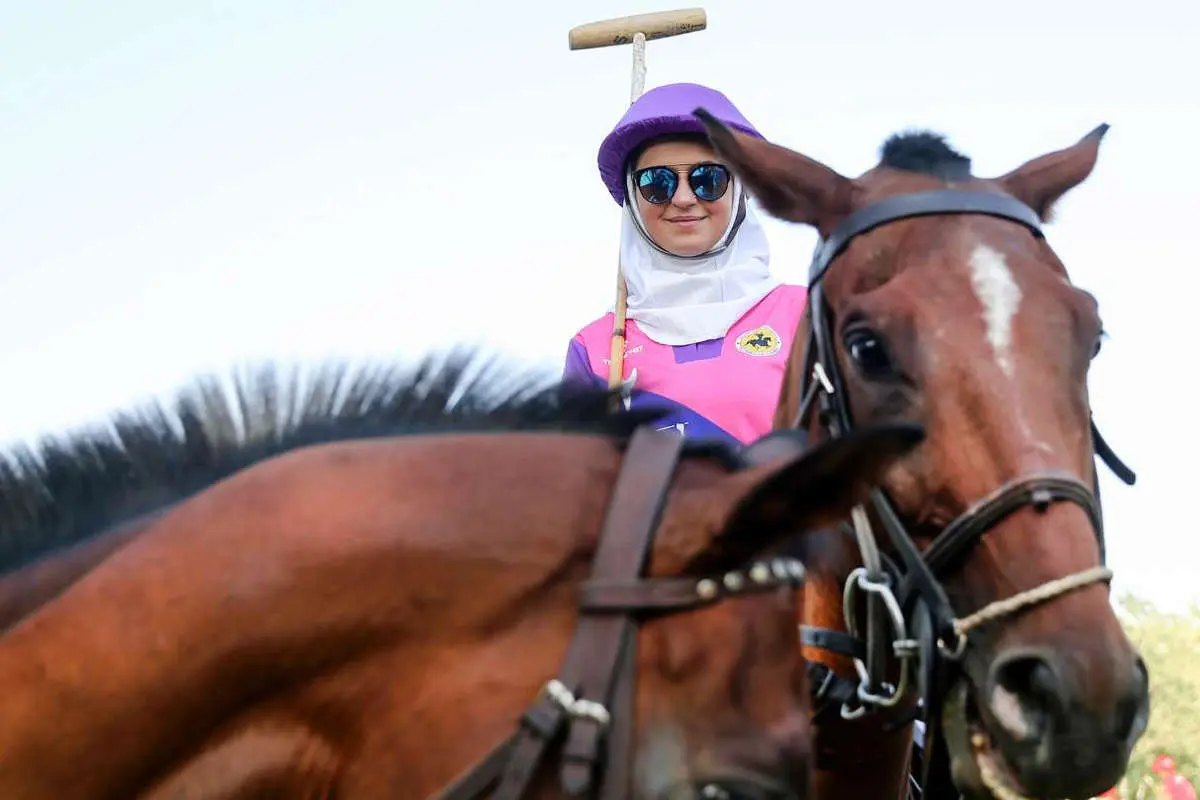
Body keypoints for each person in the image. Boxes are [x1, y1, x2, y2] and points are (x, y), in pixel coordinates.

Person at [562, 82, 808, 447]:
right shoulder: (594, 349)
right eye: (656, 183)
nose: (682, 198)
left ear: (740, 190)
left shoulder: (807, 315)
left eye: (708, 179)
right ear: (632, 201)